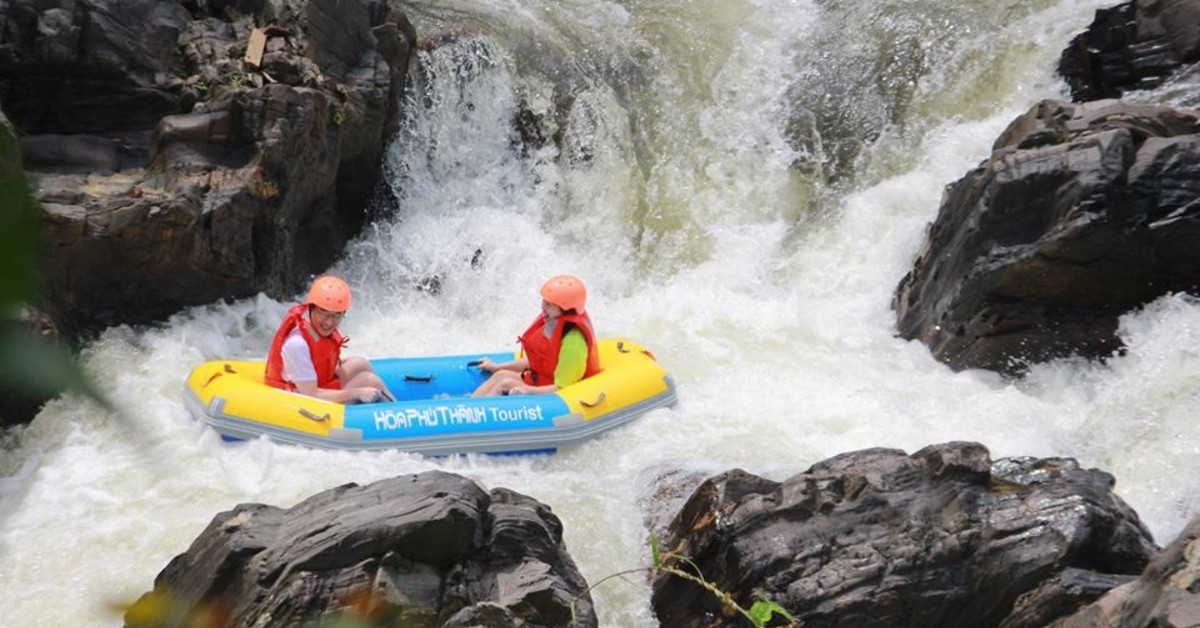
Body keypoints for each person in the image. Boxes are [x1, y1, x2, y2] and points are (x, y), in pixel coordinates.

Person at [264, 275, 393, 404]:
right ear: (311, 308)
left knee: (360, 363)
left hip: (317, 384)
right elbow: (311, 394)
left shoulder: (316, 330)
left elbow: (321, 359)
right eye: (324, 313)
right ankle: (398, 409)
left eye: (337, 315)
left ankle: (388, 405)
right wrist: (358, 392)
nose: (329, 322)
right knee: (370, 381)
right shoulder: (297, 344)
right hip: (302, 397)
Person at [472, 274, 601, 397]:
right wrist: (496, 367)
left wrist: (529, 390)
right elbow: (539, 361)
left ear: (565, 308)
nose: (542, 307)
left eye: (549, 304)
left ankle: (477, 416)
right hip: (542, 379)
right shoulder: (553, 321)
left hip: (555, 391)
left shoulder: (573, 342)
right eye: (544, 301)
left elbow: (564, 388)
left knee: (506, 383)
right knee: (501, 375)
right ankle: (468, 406)